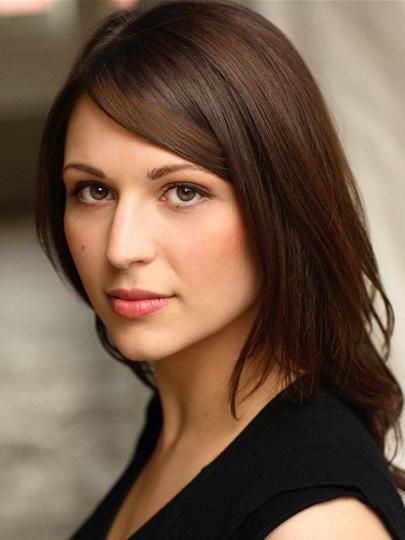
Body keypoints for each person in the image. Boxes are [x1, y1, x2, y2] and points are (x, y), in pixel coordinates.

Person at [35, 0, 405, 538]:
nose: (121, 247)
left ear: (283, 204)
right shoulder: (183, 422)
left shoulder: (314, 524)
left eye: (183, 192)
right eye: (94, 190)